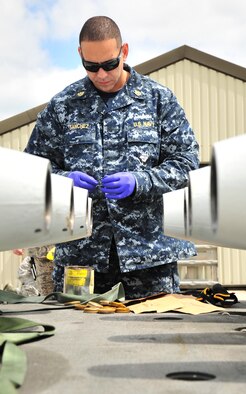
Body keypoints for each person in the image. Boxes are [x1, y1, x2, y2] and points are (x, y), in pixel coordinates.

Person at [24, 16, 199, 299]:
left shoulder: (158, 100)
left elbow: (186, 163)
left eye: (109, 64)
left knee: (156, 338)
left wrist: (141, 181)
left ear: (124, 51)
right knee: (75, 340)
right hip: (82, 258)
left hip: (149, 258)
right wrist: (63, 179)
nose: (102, 74)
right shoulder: (63, 106)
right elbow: (32, 169)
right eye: (91, 67)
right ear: (80, 55)